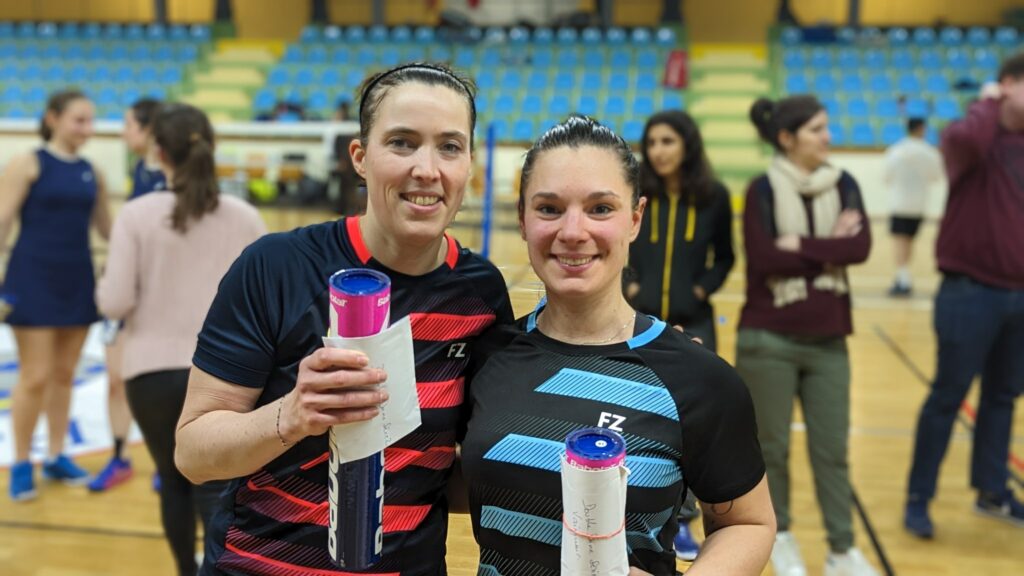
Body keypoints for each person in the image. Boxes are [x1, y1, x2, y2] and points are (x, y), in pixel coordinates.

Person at [174, 62, 514, 575]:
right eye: (402, 143)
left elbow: (461, 474)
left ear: (470, 163)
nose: (426, 169)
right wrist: (291, 416)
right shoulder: (277, 267)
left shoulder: (480, 295)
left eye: (449, 146)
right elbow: (194, 454)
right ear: (360, 157)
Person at [460, 115, 775, 576]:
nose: (573, 231)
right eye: (549, 208)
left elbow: (747, 523)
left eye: (600, 208)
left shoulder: (698, 379)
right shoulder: (488, 354)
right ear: (522, 219)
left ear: (635, 218)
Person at [96, 102, 266, 574]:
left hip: (150, 374)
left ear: (158, 152)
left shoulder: (136, 215)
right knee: (217, 486)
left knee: (172, 482)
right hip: (227, 374)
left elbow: (113, 302)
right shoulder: (245, 217)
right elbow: (267, 303)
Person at [739, 95, 875, 576]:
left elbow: (859, 247)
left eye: (826, 127)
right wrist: (830, 246)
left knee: (832, 451)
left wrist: (799, 244)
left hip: (829, 341)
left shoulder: (846, 183)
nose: (827, 137)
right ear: (787, 138)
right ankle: (782, 536)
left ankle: (842, 549)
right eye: (817, 129)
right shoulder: (762, 190)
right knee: (772, 449)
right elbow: (765, 258)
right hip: (768, 339)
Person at [904, 52, 1024, 538]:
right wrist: (988, 102)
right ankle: (919, 497)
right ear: (1008, 83)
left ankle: (992, 491)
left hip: (1019, 296)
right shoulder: (972, 136)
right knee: (947, 397)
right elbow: (961, 141)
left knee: (1002, 397)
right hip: (969, 291)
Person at [625, 109, 735, 560]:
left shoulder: (714, 197)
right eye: (652, 142)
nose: (658, 151)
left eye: (667, 141)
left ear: (687, 144)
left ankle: (684, 521)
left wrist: (700, 290)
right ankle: (639, 514)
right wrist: (632, 286)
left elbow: (725, 257)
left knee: (692, 423)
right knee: (638, 416)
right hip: (641, 319)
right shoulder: (637, 193)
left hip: (696, 320)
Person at [0, 90, 112, 501]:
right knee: (34, 376)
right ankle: (21, 462)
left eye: (90, 120)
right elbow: (2, 220)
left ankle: (56, 454)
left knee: (64, 374)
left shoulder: (92, 172)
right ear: (53, 119)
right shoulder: (28, 162)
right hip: (33, 279)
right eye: (79, 120)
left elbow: (108, 230)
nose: (87, 128)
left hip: (77, 280)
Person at [89, 97, 167, 493]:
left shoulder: (177, 178)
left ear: (149, 130)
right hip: (126, 293)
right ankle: (119, 456)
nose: (123, 134)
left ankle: (168, 461)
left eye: (128, 126)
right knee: (116, 379)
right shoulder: (139, 169)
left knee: (168, 382)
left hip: (163, 298)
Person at [883, 117, 944, 296]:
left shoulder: (896, 150)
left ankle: (903, 277)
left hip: (899, 203)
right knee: (908, 240)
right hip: (919, 203)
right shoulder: (929, 152)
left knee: (900, 241)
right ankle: (903, 275)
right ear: (921, 129)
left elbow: (886, 176)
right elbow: (936, 176)